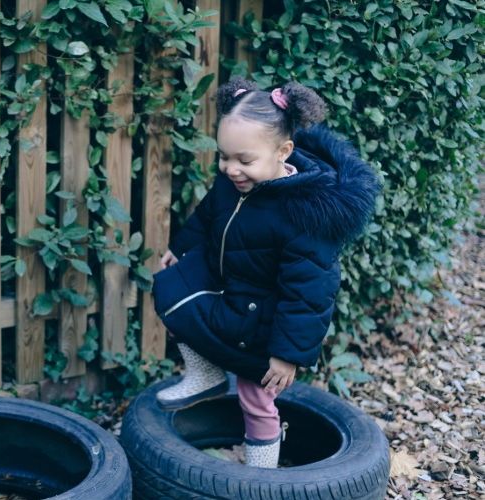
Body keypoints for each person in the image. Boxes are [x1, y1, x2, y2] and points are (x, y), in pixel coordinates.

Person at [150, 76, 380, 468]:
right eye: (224, 156)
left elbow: (309, 295)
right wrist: (180, 247)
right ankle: (205, 374)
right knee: (172, 293)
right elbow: (207, 215)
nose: (230, 169)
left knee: (255, 398)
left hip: (265, 323)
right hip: (231, 291)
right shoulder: (233, 183)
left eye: (244, 160)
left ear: (283, 152)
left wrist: (287, 355)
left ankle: (262, 472)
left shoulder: (303, 215)